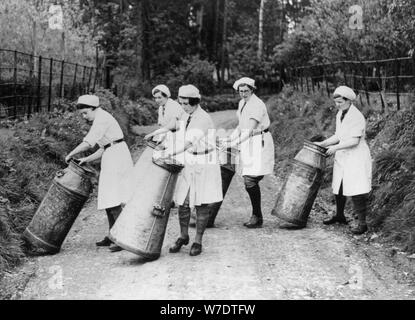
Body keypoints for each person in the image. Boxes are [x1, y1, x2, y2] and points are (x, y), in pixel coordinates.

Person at [144, 84, 223, 256]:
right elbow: (173, 125)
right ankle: (183, 236)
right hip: (189, 160)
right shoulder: (185, 114)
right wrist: (156, 133)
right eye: (181, 102)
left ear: (195, 102)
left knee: (201, 204)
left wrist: (167, 153)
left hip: (204, 162)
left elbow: (187, 143)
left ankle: (198, 240)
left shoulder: (202, 118)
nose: (183, 106)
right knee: (183, 202)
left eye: (186, 103)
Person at [65, 94, 134, 251]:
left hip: (117, 157)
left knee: (113, 197)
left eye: (85, 113)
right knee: (108, 198)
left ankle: (121, 237)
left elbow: (88, 143)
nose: (84, 117)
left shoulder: (102, 118)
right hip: (112, 154)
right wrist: (86, 160)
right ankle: (112, 235)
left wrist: (71, 154)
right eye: (81, 114)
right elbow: (104, 147)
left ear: (93, 108)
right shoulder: (100, 119)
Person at [315, 86, 372, 235]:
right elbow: (338, 135)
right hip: (343, 154)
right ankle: (339, 215)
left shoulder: (356, 116)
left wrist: (335, 148)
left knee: (356, 189)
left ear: (348, 100)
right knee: (339, 185)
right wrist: (324, 143)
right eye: (336, 102)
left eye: (340, 102)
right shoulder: (340, 114)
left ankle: (362, 224)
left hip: (356, 156)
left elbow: (354, 141)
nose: (337, 105)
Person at [220, 77, 275, 228]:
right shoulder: (242, 103)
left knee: (250, 179)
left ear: (252, 90)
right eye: (240, 91)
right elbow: (241, 125)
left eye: (246, 91)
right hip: (249, 142)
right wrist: (229, 140)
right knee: (249, 178)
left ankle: (257, 216)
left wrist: (235, 143)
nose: (243, 94)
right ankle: (257, 215)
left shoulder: (257, 105)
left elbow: (250, 129)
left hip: (259, 141)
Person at [151, 84, 184, 151]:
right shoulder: (161, 108)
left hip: (180, 136)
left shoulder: (173, 105)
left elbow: (172, 125)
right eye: (155, 98)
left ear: (166, 96)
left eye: (159, 97)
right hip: (169, 136)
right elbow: (162, 126)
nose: (157, 100)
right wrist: (160, 139)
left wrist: (153, 133)